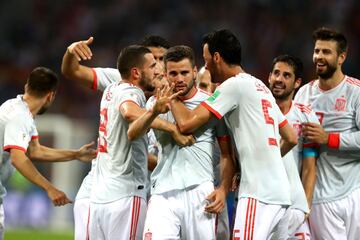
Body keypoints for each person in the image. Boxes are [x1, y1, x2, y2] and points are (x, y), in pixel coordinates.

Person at [168, 30, 298, 239]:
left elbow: (186, 124)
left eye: (206, 59)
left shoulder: (233, 85)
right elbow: (291, 137)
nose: (206, 65)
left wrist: (172, 96)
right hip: (282, 195)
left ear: (217, 57)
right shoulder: (260, 86)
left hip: (258, 193)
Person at [61, 36, 174, 239]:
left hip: (116, 191)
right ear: (137, 69)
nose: (157, 67)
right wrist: (71, 52)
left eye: (161, 60)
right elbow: (72, 70)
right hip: (110, 189)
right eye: (152, 61)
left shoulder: (168, 95)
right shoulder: (121, 82)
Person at [128, 45, 235, 240]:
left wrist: (223, 189)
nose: (179, 79)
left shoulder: (211, 104)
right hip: (163, 192)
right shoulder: (155, 103)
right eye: (173, 73)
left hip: (200, 192)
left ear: (194, 72)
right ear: (165, 75)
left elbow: (227, 154)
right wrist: (153, 112)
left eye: (184, 73)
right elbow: (132, 134)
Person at [87, 45, 194, 240]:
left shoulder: (111, 89)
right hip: (125, 194)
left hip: (98, 198)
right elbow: (129, 111)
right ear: (136, 73)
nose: (158, 69)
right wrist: (170, 127)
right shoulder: (132, 92)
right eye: (153, 65)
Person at [0, 67, 96, 239]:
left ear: (26, 86)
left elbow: (35, 151)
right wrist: (50, 188)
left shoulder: (16, 107)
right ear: (51, 96)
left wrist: (75, 154)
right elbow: (18, 158)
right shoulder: (19, 116)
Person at [294, 27, 360, 240]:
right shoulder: (304, 93)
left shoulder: (355, 92)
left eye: (326, 52)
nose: (319, 57)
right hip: (322, 197)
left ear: (342, 57)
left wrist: (328, 138)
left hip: (355, 190)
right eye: (317, 51)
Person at [268, 54, 319, 239]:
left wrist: (306, 204)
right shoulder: (257, 110)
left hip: (293, 203)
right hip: (264, 200)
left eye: (286, 75)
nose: (279, 79)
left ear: (297, 83)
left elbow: (309, 165)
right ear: (269, 77)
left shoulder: (305, 116)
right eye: (276, 73)